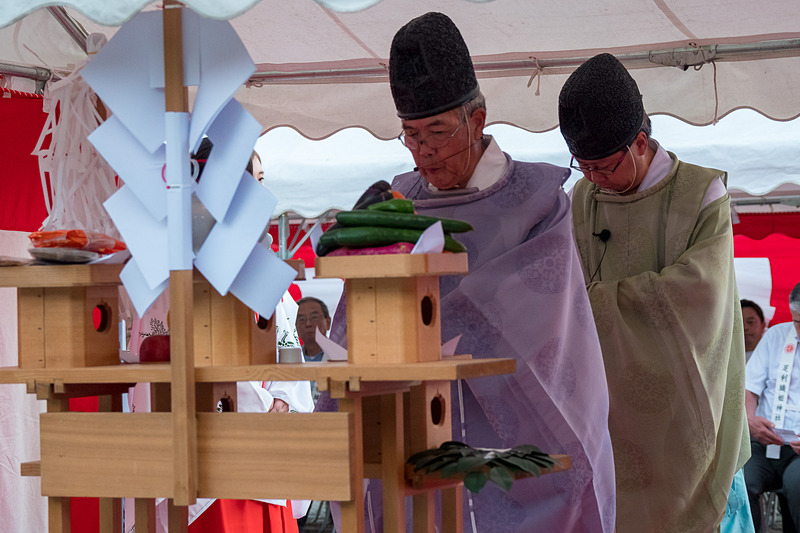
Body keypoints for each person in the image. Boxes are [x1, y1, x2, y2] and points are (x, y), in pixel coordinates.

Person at [319, 12, 616, 532]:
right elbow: (355, 313)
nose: (424, 150)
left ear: (477, 119)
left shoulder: (539, 200)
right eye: (410, 135)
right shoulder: (397, 203)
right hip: (411, 429)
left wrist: (417, 331)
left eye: (437, 130)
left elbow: (542, 321)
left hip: (513, 432)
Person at [560, 53, 751, 532]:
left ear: (640, 142)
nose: (592, 179)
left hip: (686, 417)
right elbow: (563, 288)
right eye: (582, 167)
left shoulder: (702, 195)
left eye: (602, 167)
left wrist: (595, 302)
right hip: (606, 416)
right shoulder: (583, 200)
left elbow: (699, 299)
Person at [744, 282, 800, 532]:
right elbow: (749, 390)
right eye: (798, 321)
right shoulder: (777, 336)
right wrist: (750, 419)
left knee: (797, 487)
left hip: (798, 451)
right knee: (739, 482)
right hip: (764, 442)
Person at [295, 297, 331, 362]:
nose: (308, 324)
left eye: (314, 317)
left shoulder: (344, 356)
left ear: (328, 323)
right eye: (301, 319)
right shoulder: (290, 359)